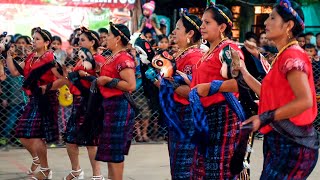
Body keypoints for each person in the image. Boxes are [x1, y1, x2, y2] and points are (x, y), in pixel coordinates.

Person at [239, 1, 319, 179]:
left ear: (289, 25)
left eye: (272, 18)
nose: (266, 22)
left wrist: (264, 117)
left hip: (293, 146)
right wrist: (243, 72)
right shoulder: (284, 54)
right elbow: (268, 94)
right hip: (281, 142)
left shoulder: (292, 55)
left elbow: (305, 101)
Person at [189, 4, 244, 179]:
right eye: (202, 22)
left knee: (218, 171)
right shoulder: (210, 50)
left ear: (221, 27)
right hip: (206, 117)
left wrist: (211, 87)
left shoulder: (228, 49)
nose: (201, 26)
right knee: (203, 170)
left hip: (223, 116)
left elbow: (240, 83)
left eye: (207, 22)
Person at [6, 27, 65, 179]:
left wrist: (46, 87)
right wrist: (7, 54)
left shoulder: (49, 57)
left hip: (47, 99)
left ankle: (45, 170)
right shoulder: (31, 57)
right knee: (22, 133)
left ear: (47, 42)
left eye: (37, 38)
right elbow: (14, 72)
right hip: (34, 99)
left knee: (37, 136)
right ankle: (37, 159)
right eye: (33, 38)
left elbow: (63, 79)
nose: (33, 41)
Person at [165, 12, 204, 179]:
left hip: (187, 117)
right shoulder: (181, 54)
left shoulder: (194, 57)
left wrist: (169, 83)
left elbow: (194, 93)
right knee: (177, 165)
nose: (174, 31)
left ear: (190, 34)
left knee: (185, 168)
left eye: (178, 28)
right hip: (178, 115)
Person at [63, 27, 105, 180]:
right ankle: (76, 170)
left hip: (91, 103)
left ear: (92, 42)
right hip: (77, 101)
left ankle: (97, 175)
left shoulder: (98, 59)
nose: (79, 42)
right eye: (79, 39)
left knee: (91, 141)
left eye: (83, 40)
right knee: (70, 138)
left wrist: (84, 76)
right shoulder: (81, 59)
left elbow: (102, 82)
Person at [96, 23, 136, 180]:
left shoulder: (123, 58)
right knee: (111, 152)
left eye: (109, 36)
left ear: (118, 38)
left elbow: (130, 85)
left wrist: (108, 80)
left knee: (116, 151)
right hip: (110, 106)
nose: (106, 38)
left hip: (119, 105)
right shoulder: (112, 56)